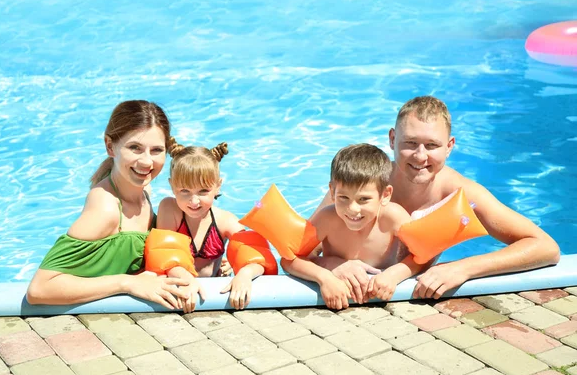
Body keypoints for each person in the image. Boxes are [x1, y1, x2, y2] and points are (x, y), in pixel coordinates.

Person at [311, 95, 561, 302]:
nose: (420, 157)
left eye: (432, 145)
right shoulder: (361, 185)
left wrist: (463, 268)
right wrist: (333, 265)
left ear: (449, 146)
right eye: (410, 143)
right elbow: (301, 249)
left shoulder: (461, 194)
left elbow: (546, 248)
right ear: (392, 139)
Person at [26, 100, 192, 309]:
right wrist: (126, 283)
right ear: (110, 146)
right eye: (135, 148)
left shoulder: (144, 193)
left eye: (157, 150)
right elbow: (39, 289)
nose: (147, 162)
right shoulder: (106, 209)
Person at [281, 144, 424, 310]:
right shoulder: (327, 219)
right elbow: (289, 259)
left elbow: (424, 255)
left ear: (385, 195)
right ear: (332, 191)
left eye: (363, 199)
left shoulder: (392, 217)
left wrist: (394, 275)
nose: (353, 209)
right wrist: (325, 277)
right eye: (343, 197)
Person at [155, 140, 271, 312]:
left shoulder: (224, 221)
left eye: (203, 191)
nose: (194, 201)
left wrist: (244, 273)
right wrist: (187, 279)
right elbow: (163, 253)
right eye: (184, 191)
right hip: (184, 286)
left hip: (215, 295)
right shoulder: (169, 209)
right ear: (172, 186)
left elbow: (258, 255)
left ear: (217, 186)